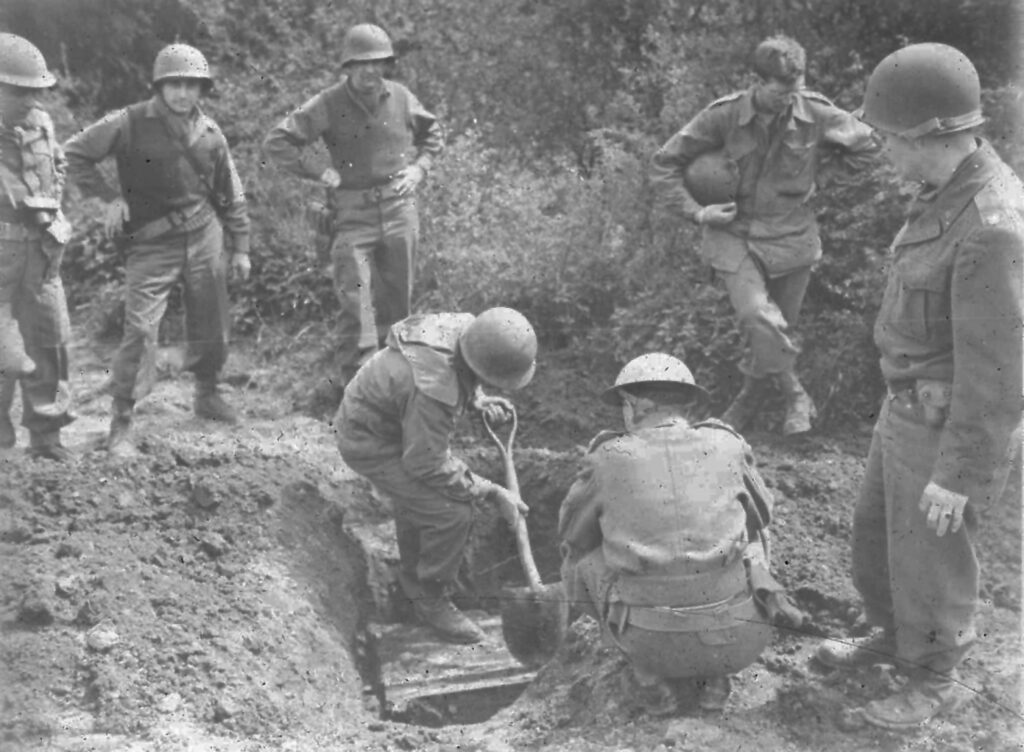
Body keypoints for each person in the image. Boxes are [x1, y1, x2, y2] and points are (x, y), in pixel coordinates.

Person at [816, 43, 1023, 731]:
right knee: (876, 542)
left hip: (943, 424)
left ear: (928, 135)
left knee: (933, 561)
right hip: (903, 406)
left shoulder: (991, 226)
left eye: (887, 137)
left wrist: (958, 473)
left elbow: (999, 371)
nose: (882, 150)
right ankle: (893, 640)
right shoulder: (943, 195)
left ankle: (934, 679)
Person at [650, 35, 878, 436]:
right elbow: (666, 163)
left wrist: (821, 180)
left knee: (770, 333)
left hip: (793, 235)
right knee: (758, 316)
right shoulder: (723, 116)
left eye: (796, 88)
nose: (790, 98)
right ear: (756, 81)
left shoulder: (817, 113)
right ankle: (795, 396)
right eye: (780, 90)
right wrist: (699, 212)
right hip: (734, 233)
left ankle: (745, 404)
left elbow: (867, 146)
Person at [558, 353, 804, 715]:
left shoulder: (607, 456)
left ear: (634, 405)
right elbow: (763, 513)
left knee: (579, 557)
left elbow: (572, 535)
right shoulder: (728, 444)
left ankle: (647, 677)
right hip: (741, 640)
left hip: (649, 643)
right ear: (686, 403)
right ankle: (716, 677)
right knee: (755, 536)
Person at [64, 43, 251, 458]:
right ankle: (122, 423)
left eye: (191, 85)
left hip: (205, 233)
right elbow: (74, 154)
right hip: (151, 241)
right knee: (142, 329)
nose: (183, 93)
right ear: (160, 86)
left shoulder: (211, 134)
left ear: (202, 89)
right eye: (174, 84)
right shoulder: (127, 122)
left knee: (213, 319)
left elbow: (231, 195)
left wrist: (241, 248)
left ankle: (207, 392)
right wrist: (110, 197)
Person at [262, 23, 443, 411]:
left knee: (399, 304)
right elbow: (278, 141)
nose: (370, 71)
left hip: (398, 208)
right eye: (361, 64)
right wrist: (317, 170)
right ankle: (358, 396)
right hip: (351, 212)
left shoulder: (402, 97)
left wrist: (419, 169)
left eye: (377, 63)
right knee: (355, 303)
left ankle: (399, 390)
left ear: (387, 66)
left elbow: (433, 134)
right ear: (347, 66)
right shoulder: (328, 103)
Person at [334, 307, 535, 644]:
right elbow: (425, 464)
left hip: (388, 422)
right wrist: (492, 491)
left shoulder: (464, 333)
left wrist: (477, 398)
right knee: (450, 512)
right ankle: (431, 601)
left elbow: (458, 369)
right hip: (370, 441)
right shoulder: (433, 393)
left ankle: (412, 586)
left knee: (424, 499)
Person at [0, 33, 75, 461]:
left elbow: (59, 162)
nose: (29, 101)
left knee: (51, 339)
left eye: (35, 92)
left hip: (42, 255)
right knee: (5, 356)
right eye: (17, 92)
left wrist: (51, 205)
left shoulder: (41, 123)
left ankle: (47, 437)